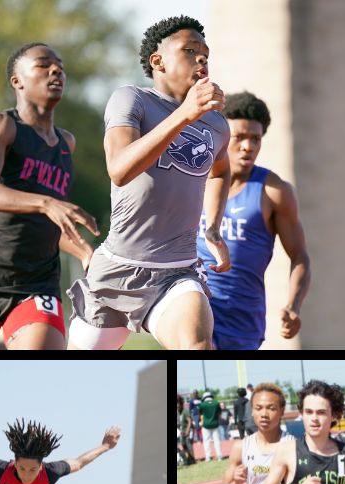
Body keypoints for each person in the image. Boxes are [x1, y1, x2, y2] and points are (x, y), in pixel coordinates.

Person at [67, 16, 231, 349]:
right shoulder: (132, 99)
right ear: (158, 61)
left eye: (206, 53)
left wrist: (212, 226)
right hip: (115, 272)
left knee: (198, 345)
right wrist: (185, 113)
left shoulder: (216, 124)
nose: (202, 59)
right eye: (190, 50)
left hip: (177, 272)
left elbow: (221, 171)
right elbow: (119, 168)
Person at [0, 42, 99, 350]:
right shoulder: (2, 125)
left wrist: (85, 253)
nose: (56, 70)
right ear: (17, 81)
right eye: (43, 65)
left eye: (60, 66)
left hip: (36, 282)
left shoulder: (67, 143)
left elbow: (52, 220)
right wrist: (45, 202)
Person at [196, 91, 310, 349]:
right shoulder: (194, 181)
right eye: (239, 137)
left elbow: (301, 257)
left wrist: (294, 305)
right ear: (222, 137)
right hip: (196, 306)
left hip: (242, 322)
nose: (248, 147)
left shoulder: (274, 191)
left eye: (255, 139)